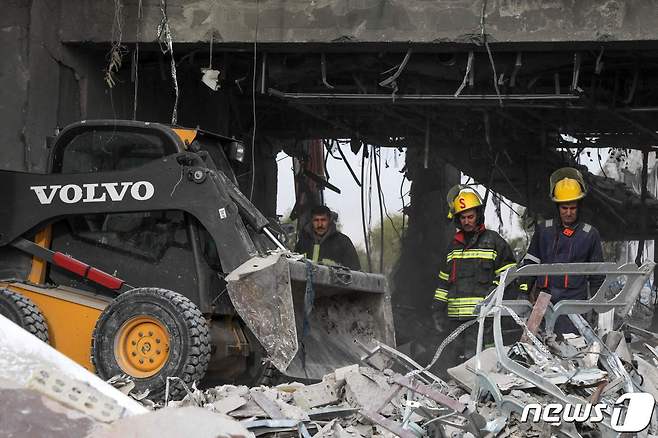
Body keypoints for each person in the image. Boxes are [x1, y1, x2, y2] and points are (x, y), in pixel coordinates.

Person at [433, 186, 517, 364]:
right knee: (455, 364)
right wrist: (437, 310)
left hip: (482, 320)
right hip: (454, 320)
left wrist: (491, 302)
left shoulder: (494, 242)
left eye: (470, 216)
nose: (467, 221)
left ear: (478, 215)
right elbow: (443, 283)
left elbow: (509, 276)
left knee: (480, 362)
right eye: (462, 217)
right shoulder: (453, 247)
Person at [520, 167, 604, 335]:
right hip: (543, 303)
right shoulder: (544, 230)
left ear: (579, 206)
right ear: (557, 206)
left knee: (573, 348)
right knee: (537, 347)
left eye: (572, 208)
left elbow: (597, 276)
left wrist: (597, 308)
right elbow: (530, 264)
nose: (568, 212)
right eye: (564, 208)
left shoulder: (590, 234)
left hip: (574, 305)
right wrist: (523, 292)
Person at [295, 205, 361, 271]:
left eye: (323, 220)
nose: (320, 225)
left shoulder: (343, 242)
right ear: (311, 221)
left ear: (329, 221)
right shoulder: (303, 242)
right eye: (316, 220)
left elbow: (355, 271)